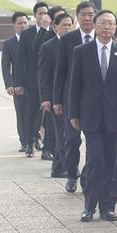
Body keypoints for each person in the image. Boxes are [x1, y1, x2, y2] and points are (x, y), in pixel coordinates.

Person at [68, 10, 117, 222]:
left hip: (116, 118)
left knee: (113, 163)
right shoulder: (82, 51)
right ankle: (89, 205)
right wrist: (73, 113)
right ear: (95, 25)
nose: (107, 27)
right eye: (103, 23)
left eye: (111, 24)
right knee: (96, 160)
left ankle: (108, 206)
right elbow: (75, 85)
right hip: (91, 116)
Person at [53, 1, 98, 194]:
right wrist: (57, 100)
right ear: (77, 17)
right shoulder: (68, 40)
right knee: (71, 140)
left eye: (90, 14)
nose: (87, 18)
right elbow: (60, 72)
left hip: (94, 101)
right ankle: (72, 174)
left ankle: (88, 176)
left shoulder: (102, 38)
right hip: (71, 99)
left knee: (94, 142)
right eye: (84, 15)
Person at [17, 2, 56, 158]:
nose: (43, 16)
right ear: (35, 16)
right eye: (40, 13)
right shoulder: (27, 34)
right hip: (32, 81)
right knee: (31, 113)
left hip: (48, 82)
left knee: (45, 115)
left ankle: (41, 140)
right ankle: (29, 142)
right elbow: (23, 58)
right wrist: (18, 82)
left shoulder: (53, 32)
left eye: (45, 13)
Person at [39, 12, 75, 179]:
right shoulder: (48, 46)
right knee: (62, 134)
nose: (68, 28)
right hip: (55, 98)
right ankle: (68, 168)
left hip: (73, 97)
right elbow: (44, 76)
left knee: (69, 135)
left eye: (70, 25)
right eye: (64, 25)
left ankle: (58, 168)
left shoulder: (77, 44)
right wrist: (45, 98)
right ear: (55, 27)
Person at [2, 12, 27, 153]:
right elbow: (5, 66)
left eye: (25, 23)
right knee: (21, 113)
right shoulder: (9, 44)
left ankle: (34, 139)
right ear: (14, 26)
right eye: (20, 23)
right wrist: (9, 84)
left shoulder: (33, 40)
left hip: (33, 84)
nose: (23, 26)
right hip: (18, 85)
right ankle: (24, 140)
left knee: (35, 114)